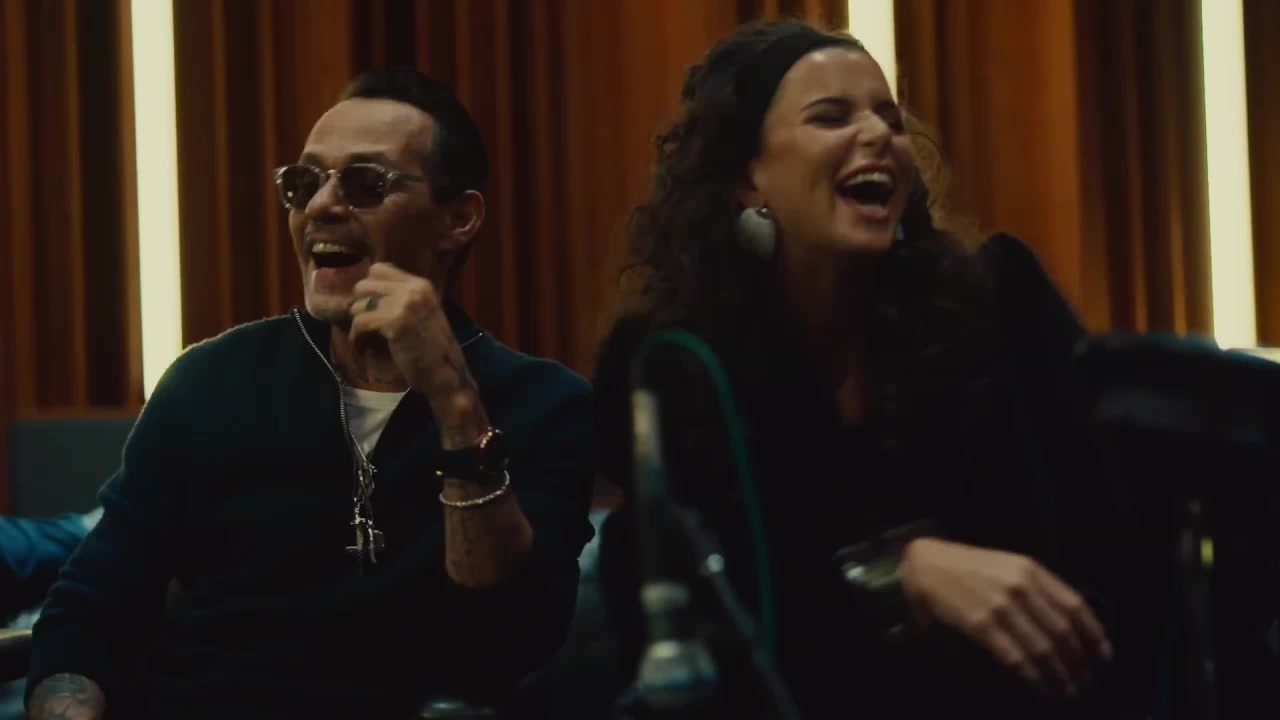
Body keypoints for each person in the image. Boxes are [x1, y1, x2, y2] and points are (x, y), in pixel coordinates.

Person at [593, 20, 1158, 719]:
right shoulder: (677, 362)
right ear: (747, 177)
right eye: (831, 117)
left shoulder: (998, 307)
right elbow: (716, 618)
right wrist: (901, 574)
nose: (877, 135)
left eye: (888, 119)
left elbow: (1111, 541)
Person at [26, 68, 596, 720]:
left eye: (365, 183)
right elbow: (91, 608)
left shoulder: (544, 403)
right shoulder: (212, 381)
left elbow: (507, 640)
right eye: (304, 183)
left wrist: (453, 402)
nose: (321, 206)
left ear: (458, 219)